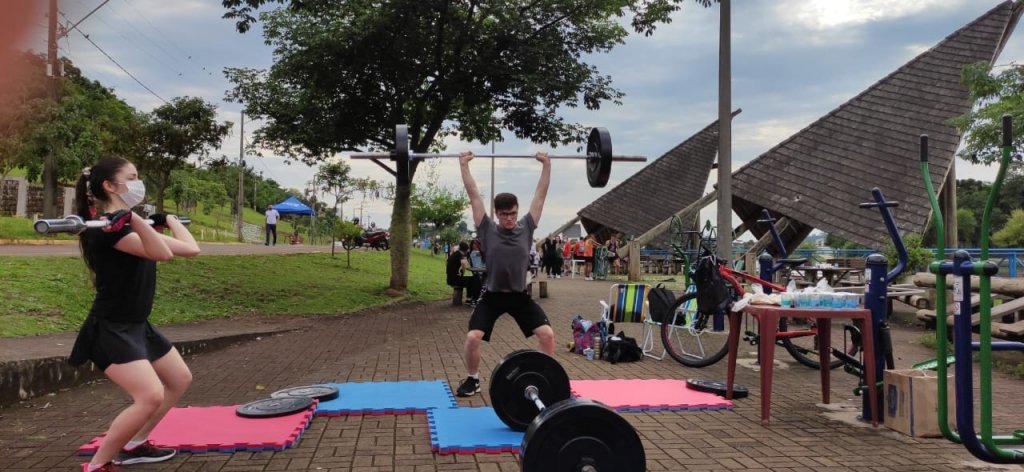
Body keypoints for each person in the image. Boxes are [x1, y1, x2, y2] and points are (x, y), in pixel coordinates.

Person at [72, 157, 201, 472]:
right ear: (109, 185)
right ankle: (98, 465)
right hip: (111, 328)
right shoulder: (104, 231)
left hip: (137, 325)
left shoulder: (124, 224)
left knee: (179, 378)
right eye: (132, 177)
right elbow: (162, 254)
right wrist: (133, 220)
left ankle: (134, 444)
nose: (138, 182)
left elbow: (190, 248)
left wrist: (167, 218)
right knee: (150, 396)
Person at [454, 150, 555, 397]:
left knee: (548, 335)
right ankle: (473, 379)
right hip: (492, 295)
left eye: (512, 213)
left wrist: (546, 165)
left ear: (517, 211)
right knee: (472, 338)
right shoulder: (487, 229)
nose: (509, 218)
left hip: (520, 296)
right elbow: (473, 195)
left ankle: (547, 379)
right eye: (504, 214)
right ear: (497, 214)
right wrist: (463, 165)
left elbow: (540, 194)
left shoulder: (527, 227)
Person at [447, 241, 482, 307]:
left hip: (451, 277)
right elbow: (467, 267)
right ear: (466, 249)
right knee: (475, 279)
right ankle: (474, 300)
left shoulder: (455, 254)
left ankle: (469, 299)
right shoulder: (461, 256)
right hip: (456, 279)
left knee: (472, 278)